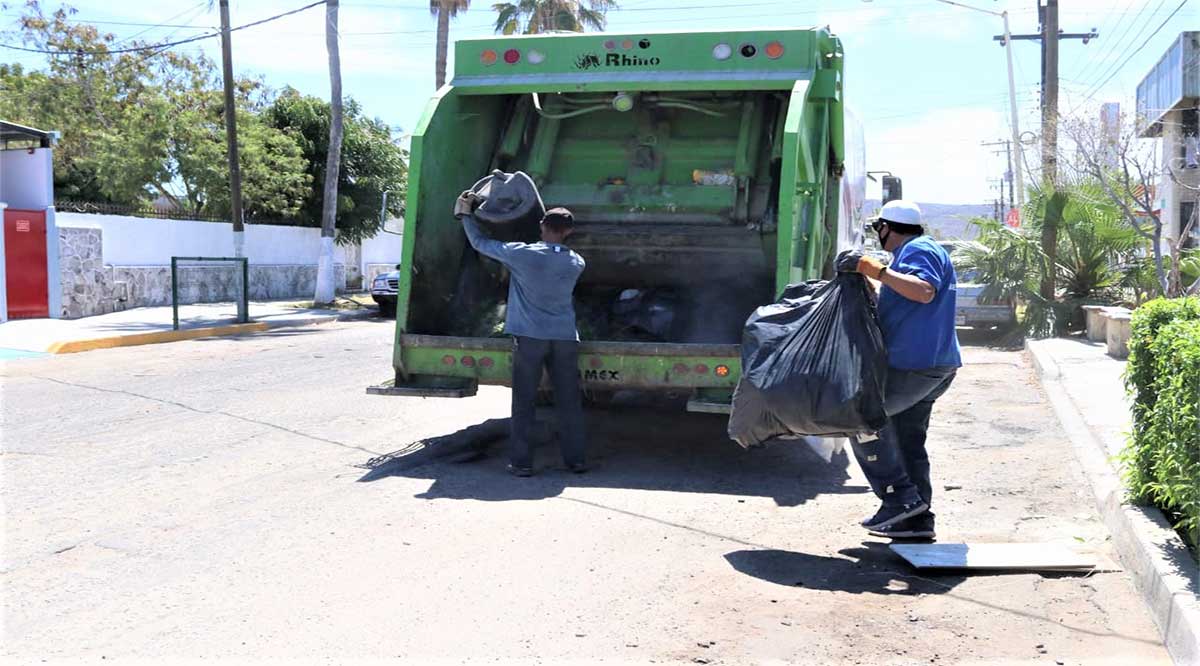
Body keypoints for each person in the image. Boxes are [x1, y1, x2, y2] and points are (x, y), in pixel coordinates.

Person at [835, 199, 962, 539]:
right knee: (907, 440)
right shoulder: (909, 255)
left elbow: (923, 292)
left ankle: (900, 500)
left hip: (918, 366)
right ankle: (917, 520)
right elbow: (904, 300)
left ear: (886, 228)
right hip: (928, 365)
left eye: (879, 229)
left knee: (860, 418)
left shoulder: (919, 249)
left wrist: (874, 270)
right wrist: (868, 283)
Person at [454, 192, 588, 477]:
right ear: (569, 232)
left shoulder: (521, 254)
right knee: (568, 401)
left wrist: (466, 214)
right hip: (565, 338)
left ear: (542, 225)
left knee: (525, 401)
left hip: (530, 338)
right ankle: (575, 461)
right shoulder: (576, 262)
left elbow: (479, 243)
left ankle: (522, 463)